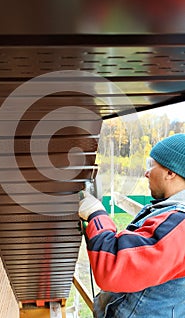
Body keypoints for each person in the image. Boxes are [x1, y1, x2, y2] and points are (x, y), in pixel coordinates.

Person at [78, 133, 185, 317]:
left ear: (170, 172)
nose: (146, 173)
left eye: (151, 165)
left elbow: (113, 267)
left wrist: (96, 214)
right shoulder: (170, 214)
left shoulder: (179, 225)